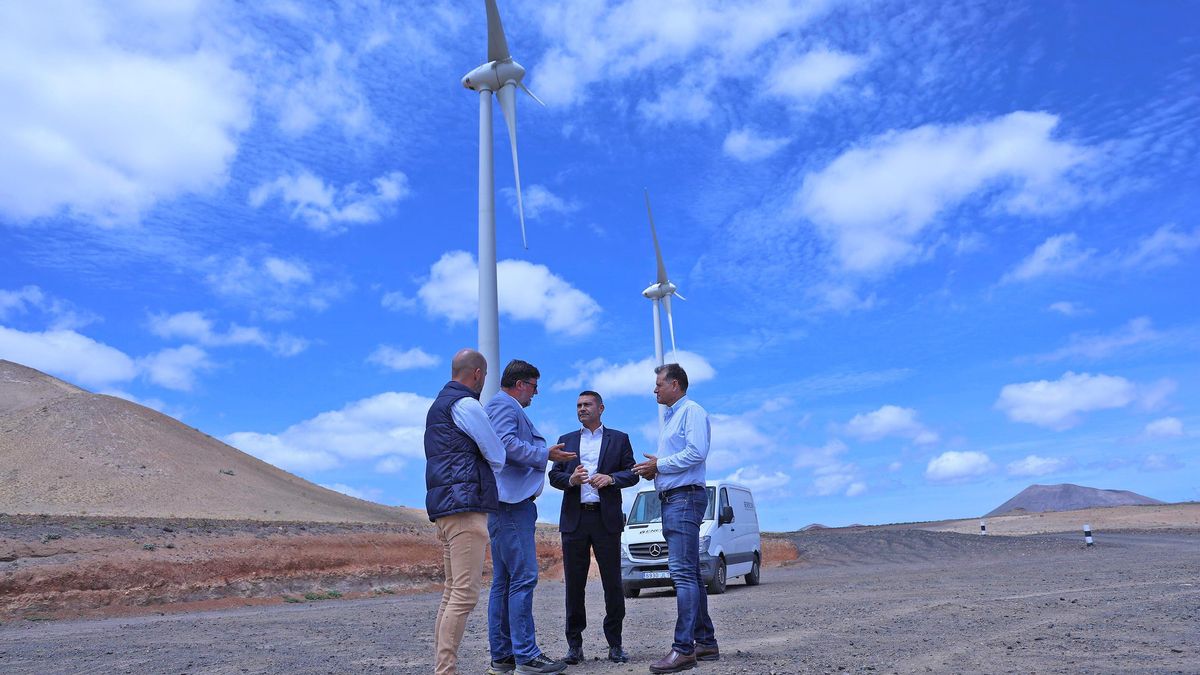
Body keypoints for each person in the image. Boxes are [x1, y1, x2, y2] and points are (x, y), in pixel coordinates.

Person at [485, 359, 577, 675]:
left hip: (505, 506)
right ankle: (526, 656)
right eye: (534, 386)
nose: (535, 393)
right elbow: (505, 445)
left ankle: (504, 656)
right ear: (521, 384)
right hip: (511, 506)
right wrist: (544, 454)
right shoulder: (504, 406)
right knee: (522, 578)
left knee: (504, 582)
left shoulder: (501, 406)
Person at [632, 363, 719, 673]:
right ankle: (705, 642)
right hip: (675, 499)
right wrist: (655, 470)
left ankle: (684, 649)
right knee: (691, 573)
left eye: (659, 384)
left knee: (682, 574)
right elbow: (678, 459)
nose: (654, 389)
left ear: (676, 385)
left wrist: (660, 466)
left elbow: (696, 452)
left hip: (684, 499)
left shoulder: (691, 411)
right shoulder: (672, 417)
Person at [424, 349, 507, 675]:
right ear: (477, 374)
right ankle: (445, 671)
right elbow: (497, 453)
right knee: (464, 595)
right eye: (484, 376)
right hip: (466, 507)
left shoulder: (438, 407)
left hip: (445, 509)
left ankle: (444, 669)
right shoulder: (466, 405)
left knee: (451, 593)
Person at [548, 390, 638, 665]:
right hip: (574, 520)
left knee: (612, 584)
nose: (582, 409)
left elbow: (632, 473)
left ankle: (615, 644)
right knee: (574, 586)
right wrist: (571, 480)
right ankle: (574, 646)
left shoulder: (619, 439)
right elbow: (554, 476)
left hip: (605, 519)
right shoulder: (566, 440)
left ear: (601, 408)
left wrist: (610, 479)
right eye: (578, 405)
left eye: (587, 404)